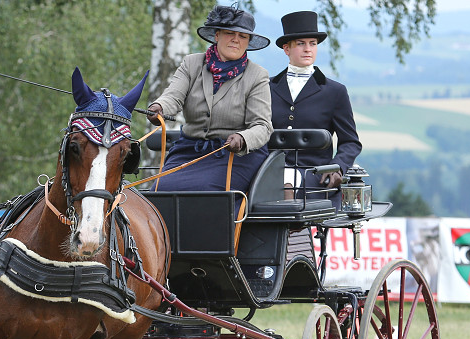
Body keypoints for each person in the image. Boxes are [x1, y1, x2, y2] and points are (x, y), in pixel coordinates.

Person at [147, 4, 273, 203]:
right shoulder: (192, 64)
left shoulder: (257, 75)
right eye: (229, 33)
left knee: (207, 193)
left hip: (235, 157)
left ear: (248, 42)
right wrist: (159, 108)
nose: (235, 39)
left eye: (242, 36)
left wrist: (242, 138)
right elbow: (173, 96)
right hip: (188, 151)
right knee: (158, 191)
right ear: (216, 35)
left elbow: (262, 126)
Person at [269, 10, 361, 199]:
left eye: (312, 44)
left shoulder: (335, 92)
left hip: (315, 175)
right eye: (301, 44)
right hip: (269, 170)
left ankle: (294, 227)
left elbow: (350, 142)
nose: (308, 49)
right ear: (287, 49)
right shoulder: (265, 87)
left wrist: (338, 167)